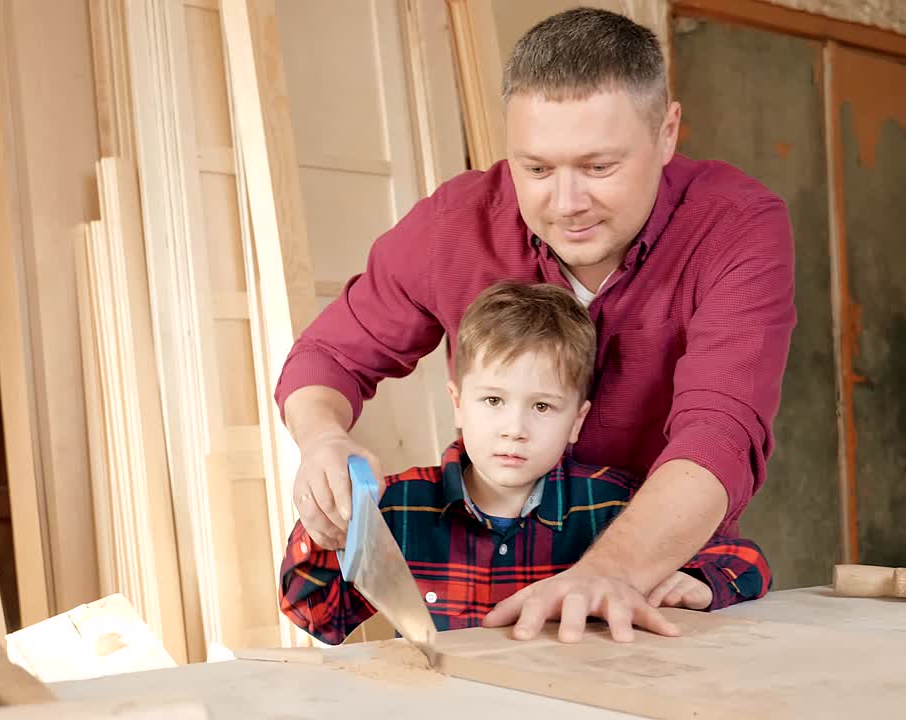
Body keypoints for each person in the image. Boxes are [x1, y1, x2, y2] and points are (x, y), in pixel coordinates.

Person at [274, 7, 794, 643]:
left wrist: (606, 573)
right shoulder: (455, 224)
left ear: (667, 132)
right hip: (495, 611)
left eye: (599, 167)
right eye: (537, 169)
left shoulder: (736, 226)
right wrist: (322, 437)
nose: (566, 203)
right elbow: (330, 356)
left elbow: (719, 434)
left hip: (657, 586)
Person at [279, 282, 771, 644]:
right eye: (493, 401)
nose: (514, 428)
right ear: (457, 402)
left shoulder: (617, 504)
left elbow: (746, 562)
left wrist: (701, 585)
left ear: (576, 421)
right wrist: (324, 530)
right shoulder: (400, 508)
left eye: (541, 407)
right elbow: (316, 617)